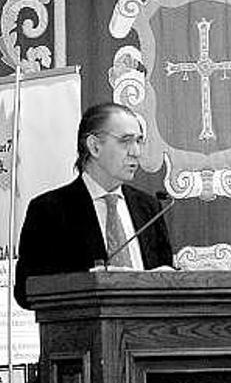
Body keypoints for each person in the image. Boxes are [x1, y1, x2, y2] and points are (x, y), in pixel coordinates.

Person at [14, 102, 173, 309]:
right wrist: (88, 281)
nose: (136, 152)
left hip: (146, 334)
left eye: (139, 141)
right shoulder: (49, 210)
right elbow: (26, 290)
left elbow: (166, 275)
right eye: (125, 141)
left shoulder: (149, 207)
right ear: (94, 146)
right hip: (84, 335)